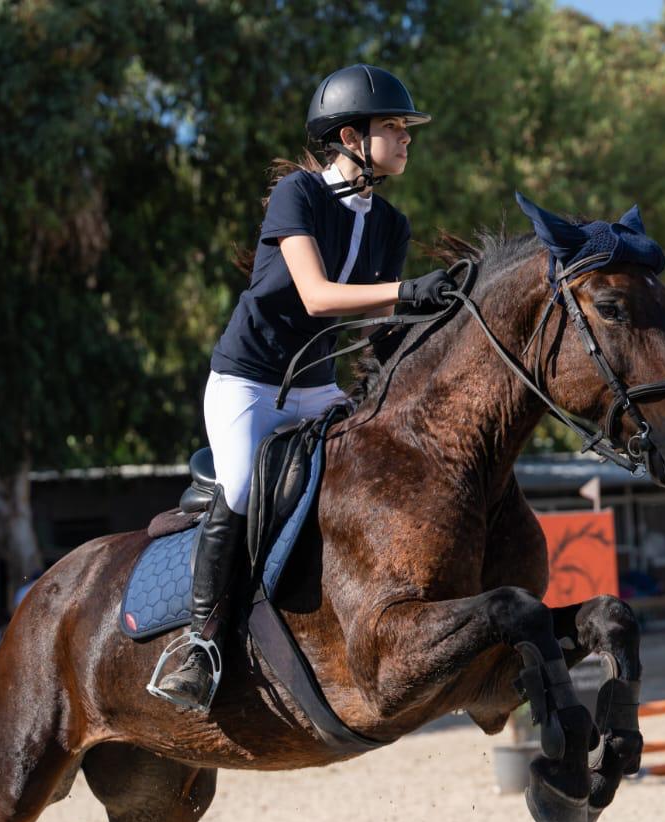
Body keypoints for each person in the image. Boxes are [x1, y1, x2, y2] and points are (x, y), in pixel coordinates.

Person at [156, 64, 455, 707]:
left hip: (316, 387)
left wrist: (438, 321)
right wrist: (407, 292)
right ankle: (200, 645)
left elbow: (378, 330)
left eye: (406, 128)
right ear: (350, 136)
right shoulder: (298, 194)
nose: (407, 139)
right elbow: (318, 298)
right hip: (249, 381)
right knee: (239, 488)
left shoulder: (392, 225)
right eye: (394, 127)